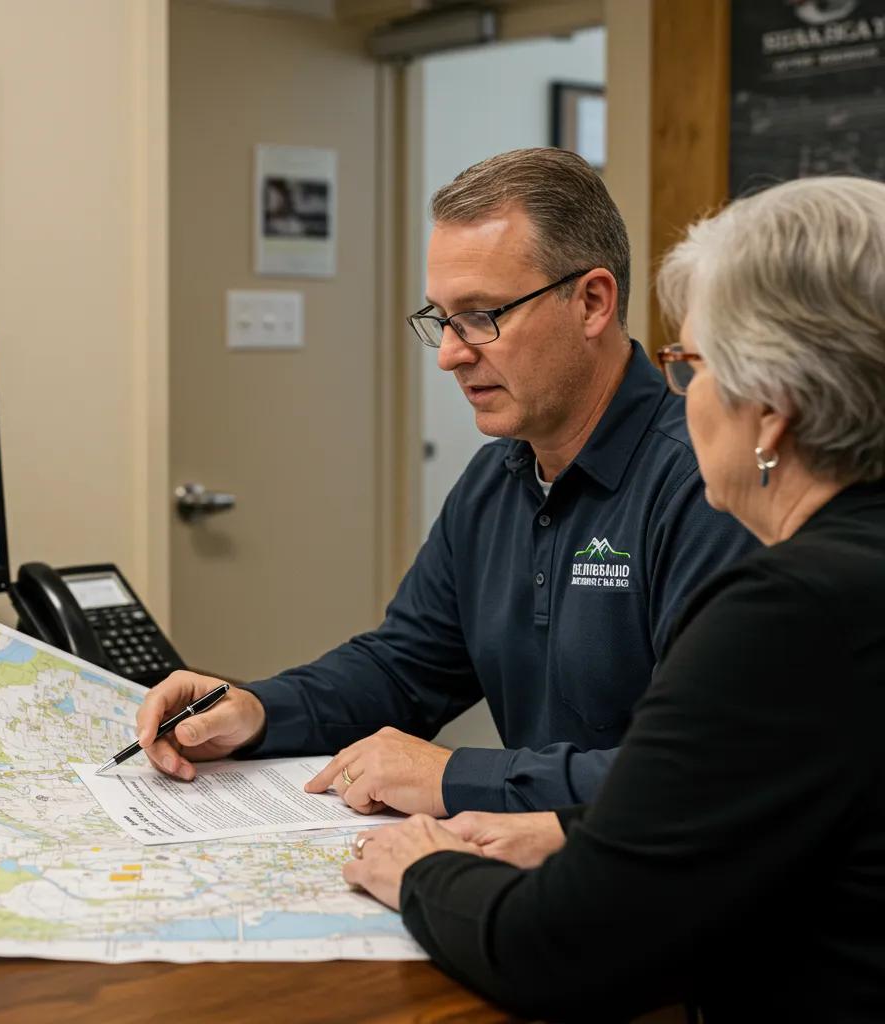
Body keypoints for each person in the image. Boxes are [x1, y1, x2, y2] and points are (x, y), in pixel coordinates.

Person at [342, 175, 885, 1022]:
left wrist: (420, 869)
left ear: (773, 412)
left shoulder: (790, 612)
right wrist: (573, 829)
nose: (683, 398)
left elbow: (561, 949)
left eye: (692, 367)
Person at [137, 148, 754, 816]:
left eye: (482, 315)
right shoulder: (497, 477)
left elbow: (699, 771)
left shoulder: (707, 485)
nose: (451, 355)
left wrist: (455, 776)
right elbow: (405, 667)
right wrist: (257, 709)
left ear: (592, 303)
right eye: (441, 320)